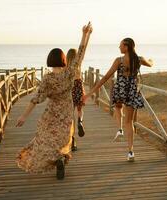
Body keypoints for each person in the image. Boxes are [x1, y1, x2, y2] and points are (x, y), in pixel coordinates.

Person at [15, 23, 92, 179]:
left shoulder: (47, 78)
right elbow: (81, 54)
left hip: (51, 114)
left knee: (45, 138)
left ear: (49, 60)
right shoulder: (70, 73)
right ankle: (61, 159)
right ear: (63, 60)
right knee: (62, 140)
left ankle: (57, 160)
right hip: (65, 113)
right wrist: (85, 34)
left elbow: (35, 99)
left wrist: (23, 116)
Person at [83, 38, 153, 162]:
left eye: (120, 45)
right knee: (129, 122)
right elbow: (150, 63)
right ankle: (131, 151)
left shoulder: (119, 60)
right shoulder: (139, 59)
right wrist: (151, 60)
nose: (119, 47)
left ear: (126, 47)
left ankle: (119, 129)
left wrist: (90, 92)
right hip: (131, 90)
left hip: (120, 89)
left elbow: (105, 77)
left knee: (118, 107)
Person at [66, 47, 88, 151]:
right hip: (79, 87)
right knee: (80, 109)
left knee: (70, 117)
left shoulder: (65, 66)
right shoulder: (78, 65)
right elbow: (82, 52)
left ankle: (73, 141)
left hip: (70, 89)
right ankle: (80, 121)